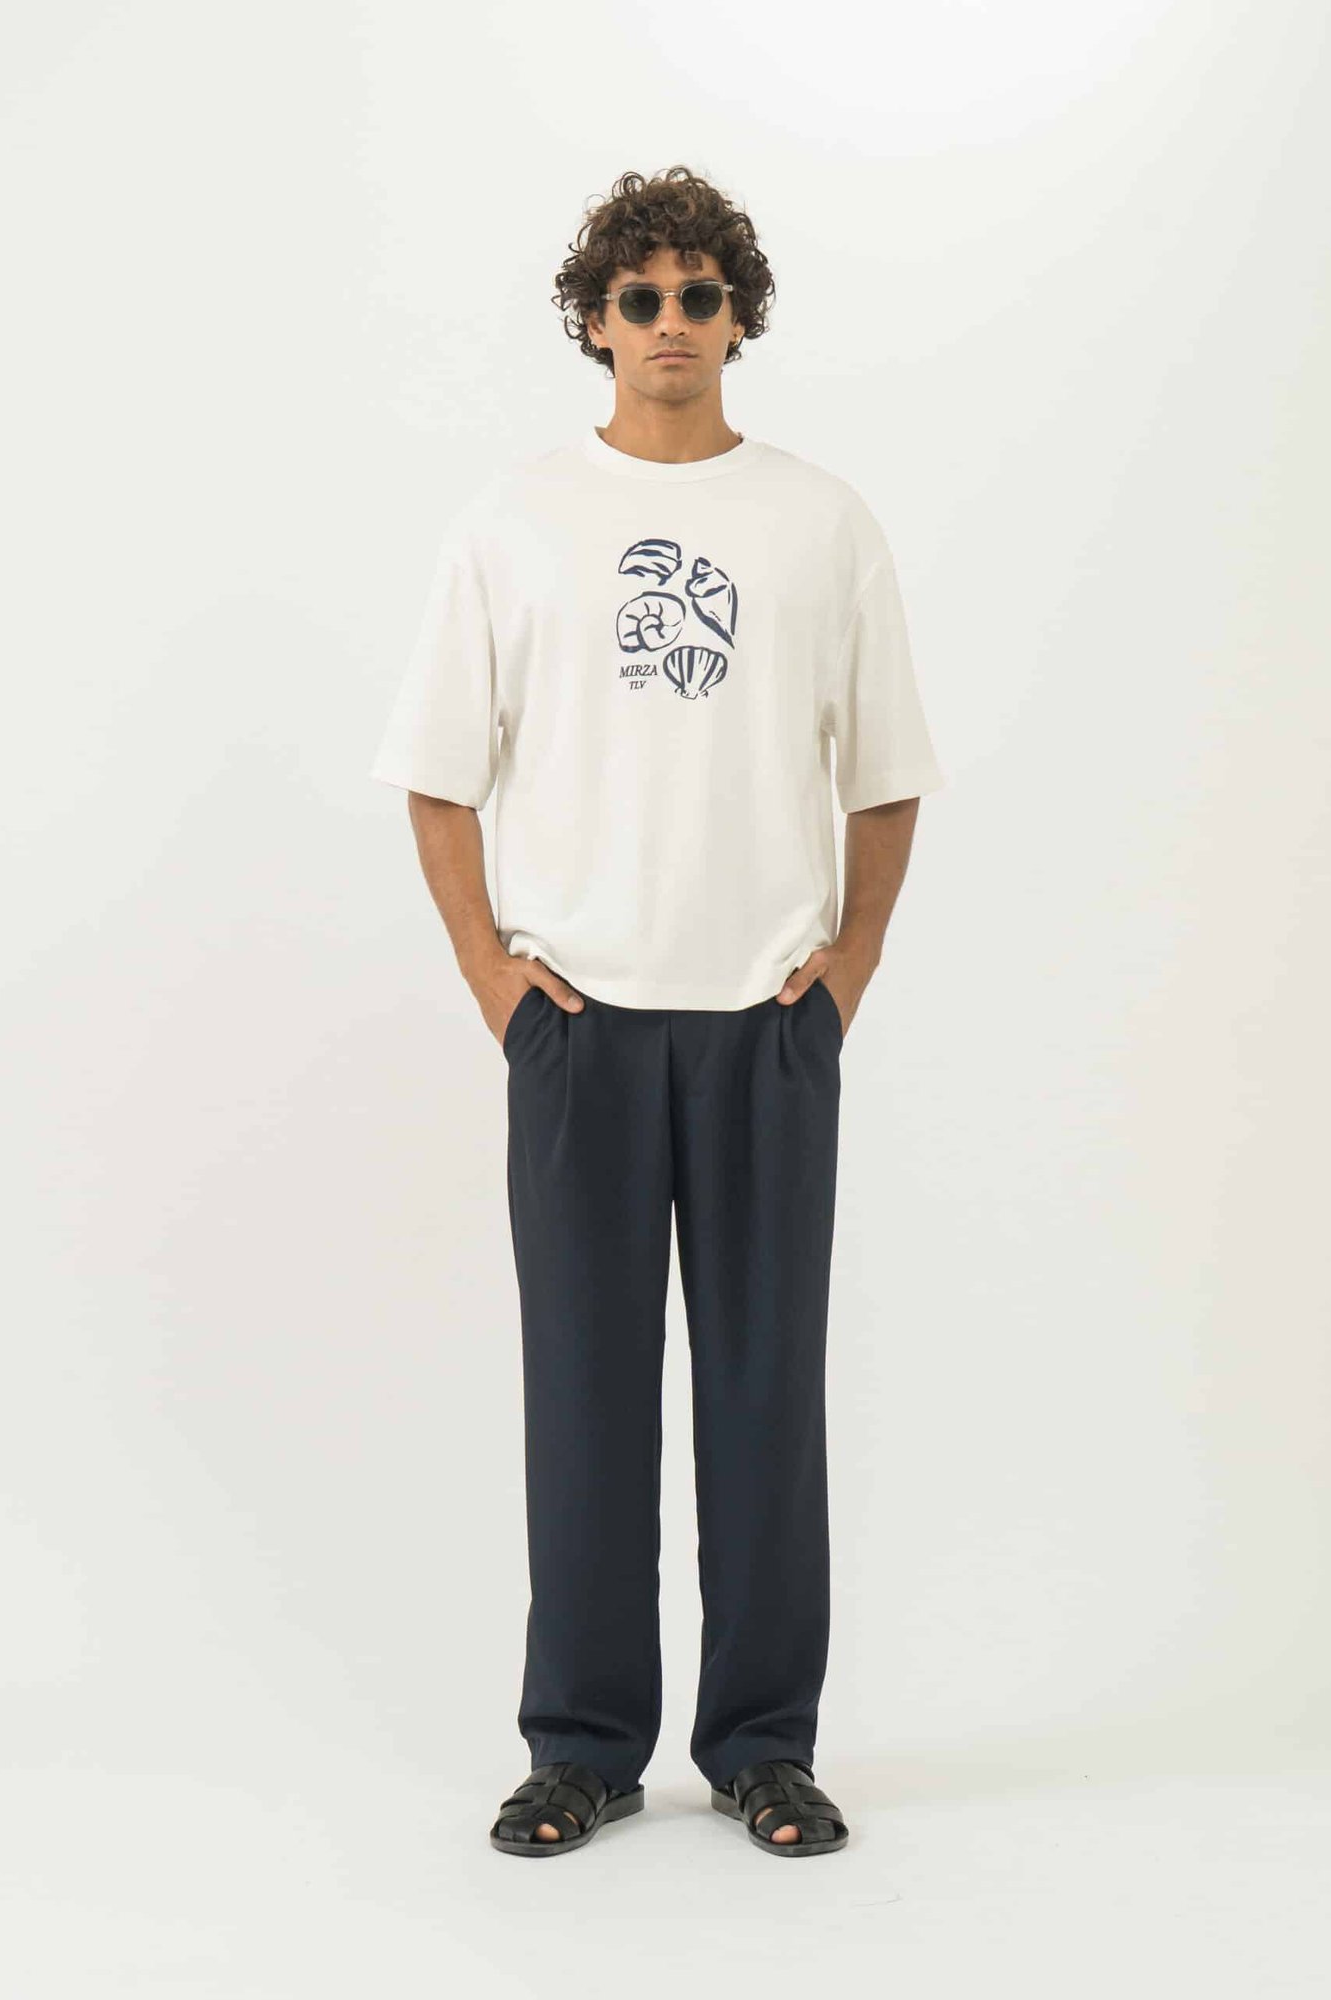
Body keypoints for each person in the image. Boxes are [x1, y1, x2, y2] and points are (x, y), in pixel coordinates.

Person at [371, 167, 947, 1859]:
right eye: (641, 298)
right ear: (596, 322)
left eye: (701, 295)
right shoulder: (516, 520)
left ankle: (764, 1743)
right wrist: (496, 983)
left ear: (740, 318)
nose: (672, 322)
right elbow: (437, 777)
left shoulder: (820, 522)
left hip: (767, 1021)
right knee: (586, 1396)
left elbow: (887, 774)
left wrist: (846, 973)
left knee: (766, 1398)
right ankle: (584, 1746)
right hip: (582, 1026)